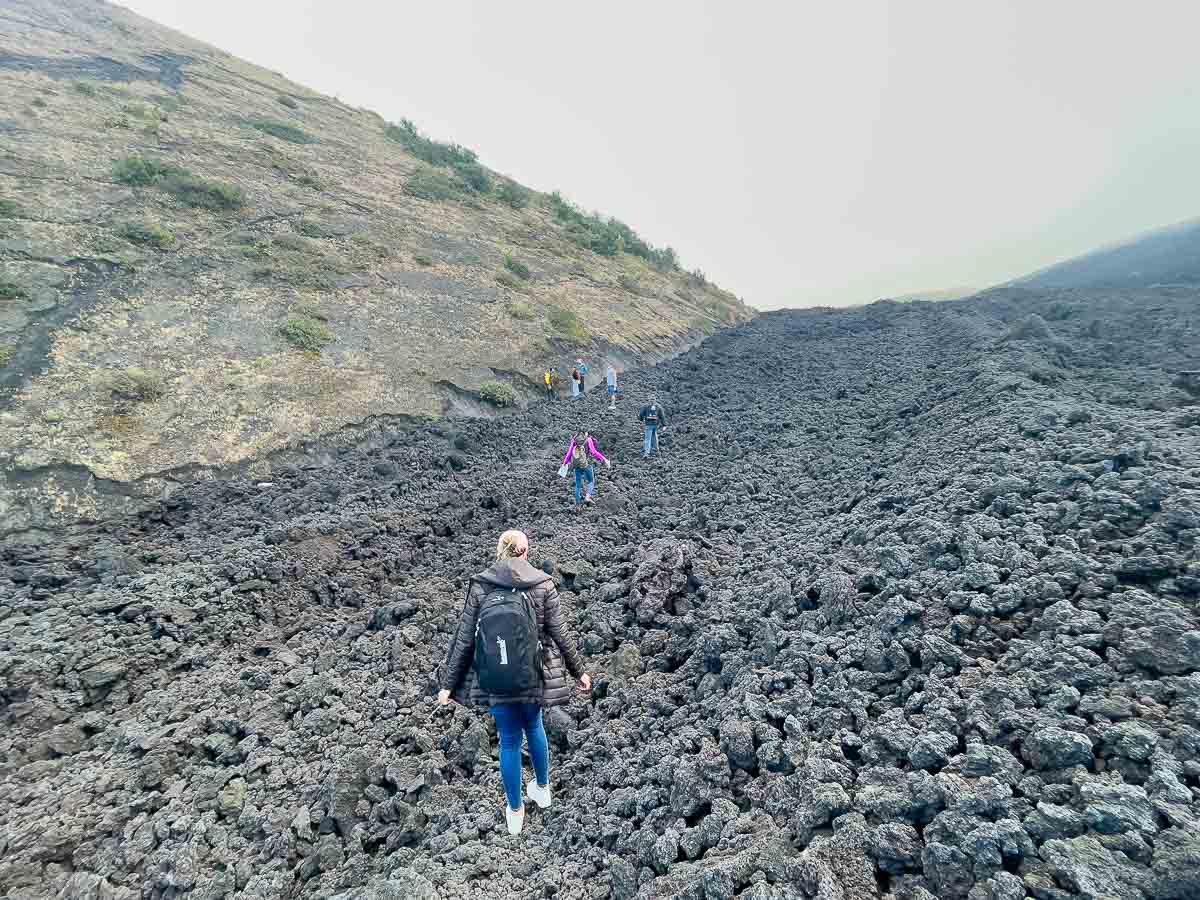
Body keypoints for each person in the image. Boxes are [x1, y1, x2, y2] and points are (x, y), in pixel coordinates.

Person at [438, 530, 592, 835]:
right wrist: (579, 671)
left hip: (495, 678)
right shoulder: (543, 584)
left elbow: (465, 638)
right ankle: (543, 790)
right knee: (534, 727)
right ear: (524, 551)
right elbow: (560, 633)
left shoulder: (482, 586)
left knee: (508, 740)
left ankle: (515, 812)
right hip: (532, 675)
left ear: (500, 551)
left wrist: (447, 684)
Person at [559, 429, 609, 506]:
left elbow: (569, 454)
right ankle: (587, 497)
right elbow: (594, 452)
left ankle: (578, 505)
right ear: (585, 433)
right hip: (586, 465)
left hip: (577, 465)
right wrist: (604, 459)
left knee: (578, 485)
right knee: (591, 481)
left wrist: (565, 463)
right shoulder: (588, 440)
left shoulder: (574, 440)